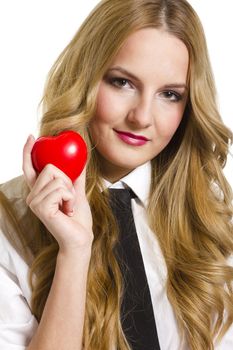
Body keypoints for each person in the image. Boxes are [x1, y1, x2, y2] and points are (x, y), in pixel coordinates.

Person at [0, 0, 233, 349]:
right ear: (86, 79)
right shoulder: (8, 220)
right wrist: (74, 252)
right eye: (122, 82)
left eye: (169, 95)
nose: (141, 117)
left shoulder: (211, 218)